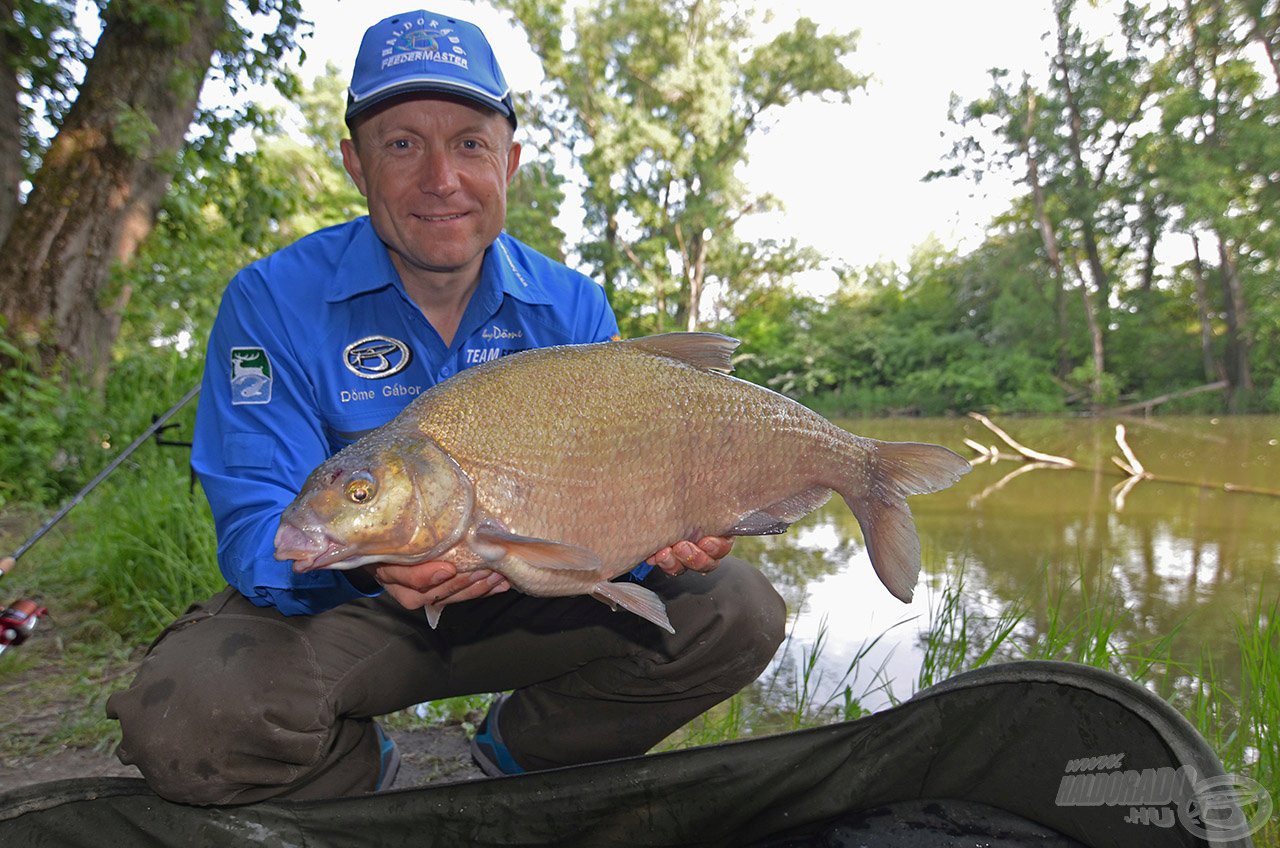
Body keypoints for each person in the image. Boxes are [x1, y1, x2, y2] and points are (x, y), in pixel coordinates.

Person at [106, 8, 785, 805]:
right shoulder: (270, 299)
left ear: (511, 161)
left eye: (470, 142)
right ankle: (364, 772)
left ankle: (523, 753)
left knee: (734, 608)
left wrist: (661, 535)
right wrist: (377, 569)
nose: (441, 179)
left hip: (537, 601)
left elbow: (604, 536)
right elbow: (262, 528)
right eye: (402, 144)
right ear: (356, 163)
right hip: (353, 610)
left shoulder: (572, 307)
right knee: (191, 719)